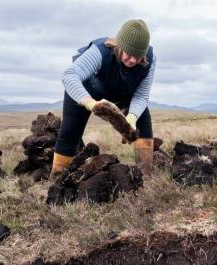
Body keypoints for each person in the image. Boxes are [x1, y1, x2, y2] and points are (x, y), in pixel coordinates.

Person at [51, 19, 156, 178]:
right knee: (70, 133)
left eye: (138, 56)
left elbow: (141, 95)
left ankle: (145, 175)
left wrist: (132, 118)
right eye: (129, 53)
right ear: (119, 46)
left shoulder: (150, 60)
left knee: (144, 123)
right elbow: (69, 76)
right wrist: (91, 104)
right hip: (86, 90)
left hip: (120, 92)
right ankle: (57, 178)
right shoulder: (100, 51)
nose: (133, 60)